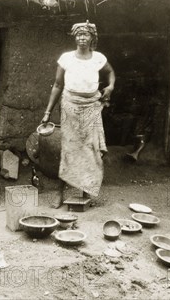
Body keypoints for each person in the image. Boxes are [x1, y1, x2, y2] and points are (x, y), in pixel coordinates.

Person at [41, 21, 115, 207]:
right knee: (69, 149)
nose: (82, 38)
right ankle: (59, 192)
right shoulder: (66, 58)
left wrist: (111, 86)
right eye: (79, 35)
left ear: (92, 38)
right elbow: (58, 85)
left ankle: (85, 193)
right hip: (70, 106)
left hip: (92, 106)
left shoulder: (98, 58)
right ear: (74, 37)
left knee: (91, 149)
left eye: (86, 35)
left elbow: (111, 72)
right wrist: (47, 112)